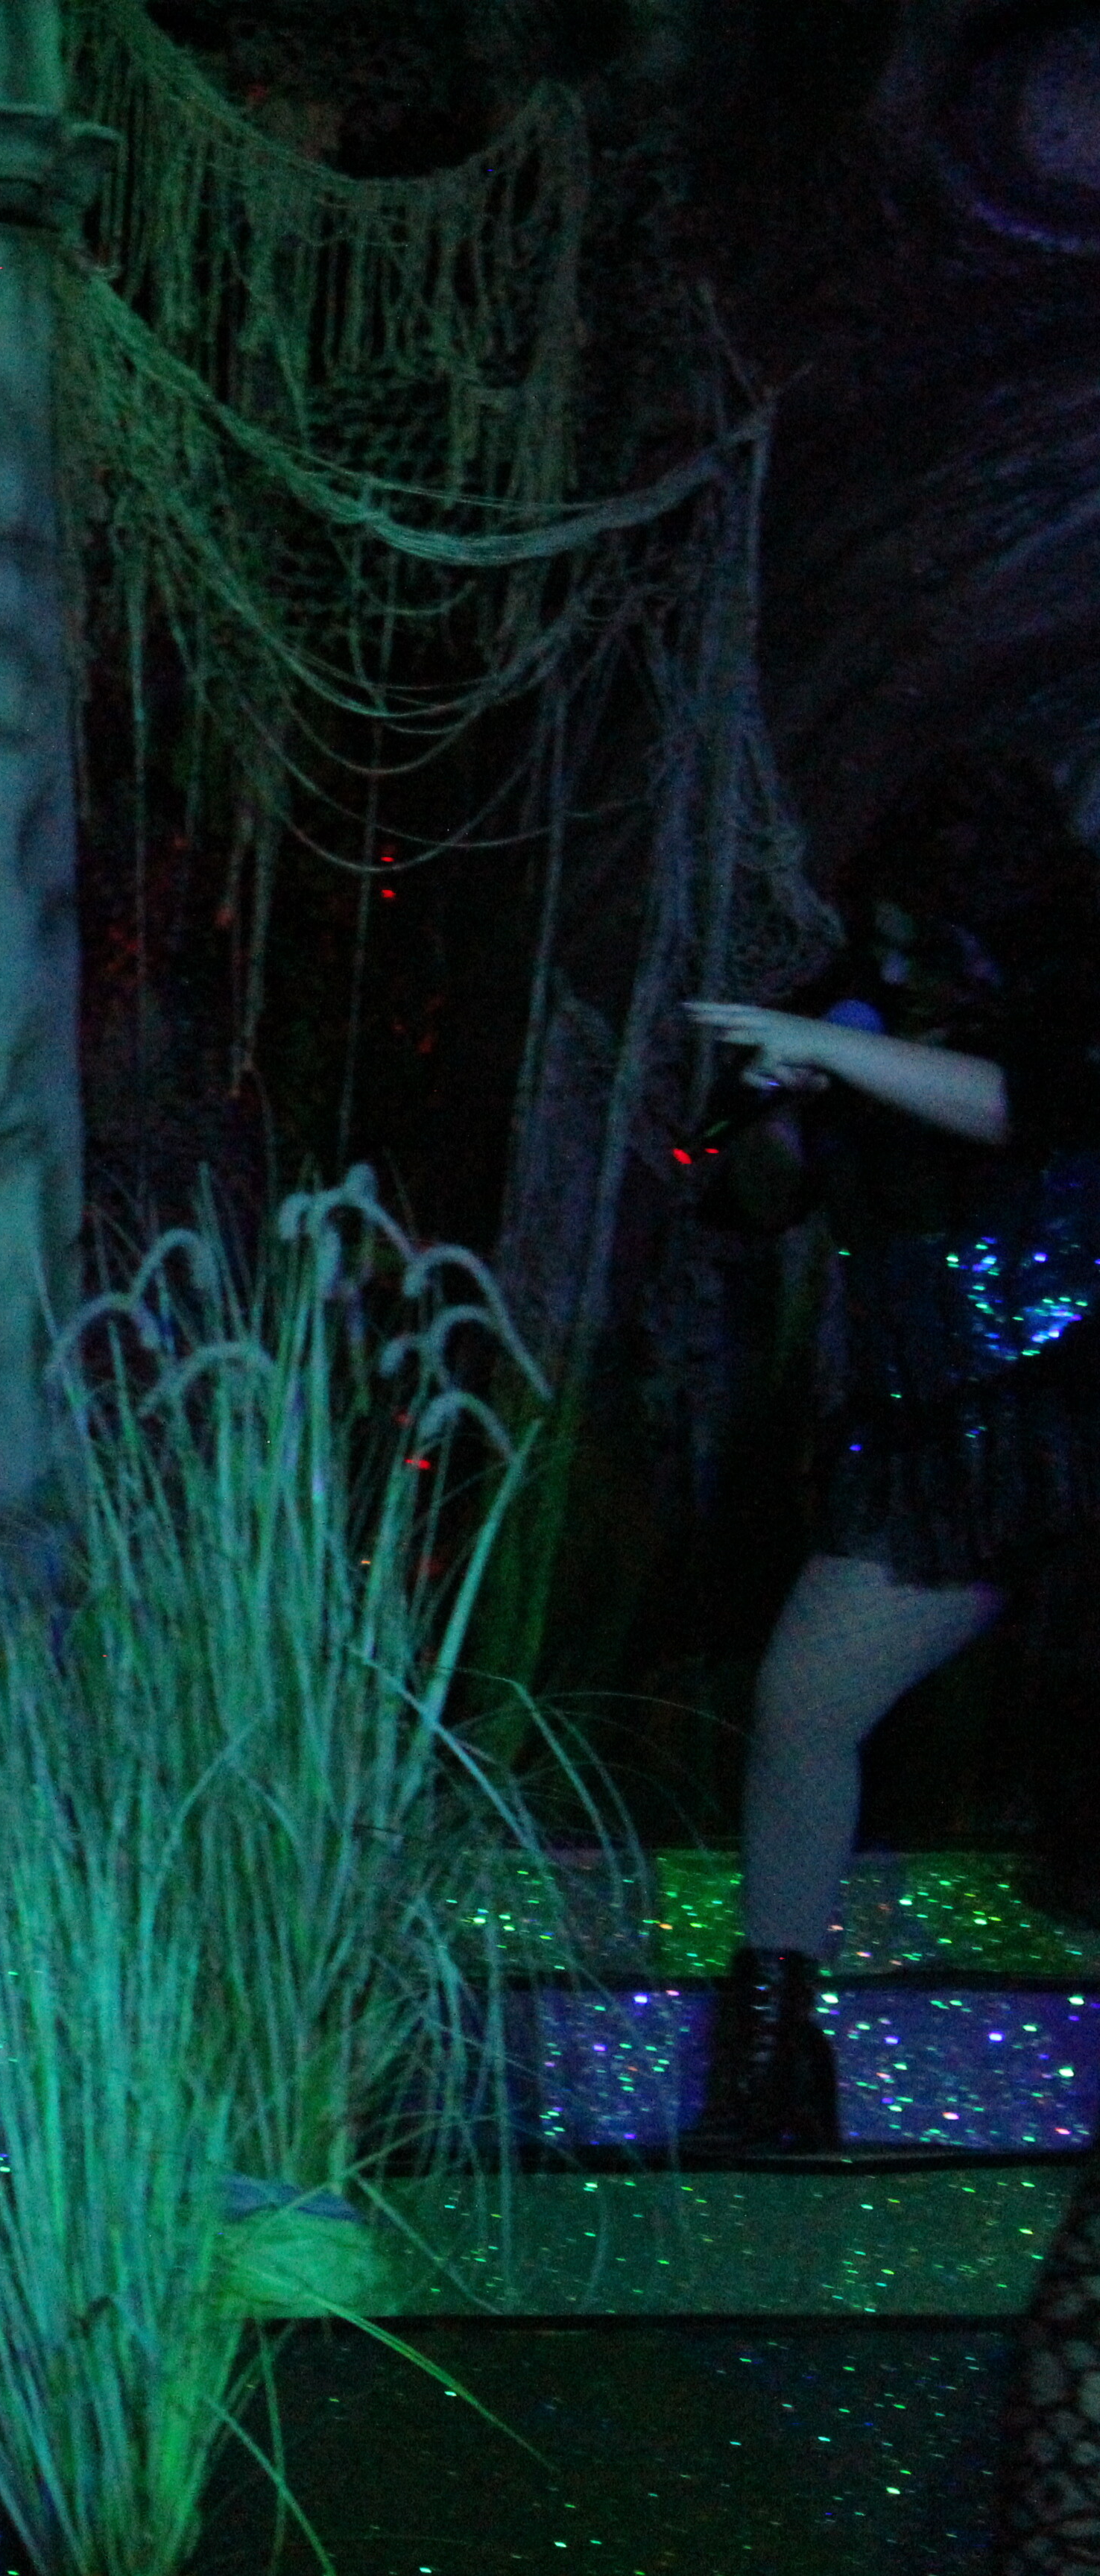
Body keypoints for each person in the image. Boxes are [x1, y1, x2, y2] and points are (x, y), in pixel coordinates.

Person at [677, 752, 1100, 2151]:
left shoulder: (1071, 987)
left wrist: (846, 1055)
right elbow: (753, 1198)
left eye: (929, 932)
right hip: (937, 1439)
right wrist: (780, 1106)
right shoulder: (851, 1001)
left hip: (1078, 1409)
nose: (902, 957)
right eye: (892, 931)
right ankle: (771, 2062)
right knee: (804, 1702)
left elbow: (1030, 1102)